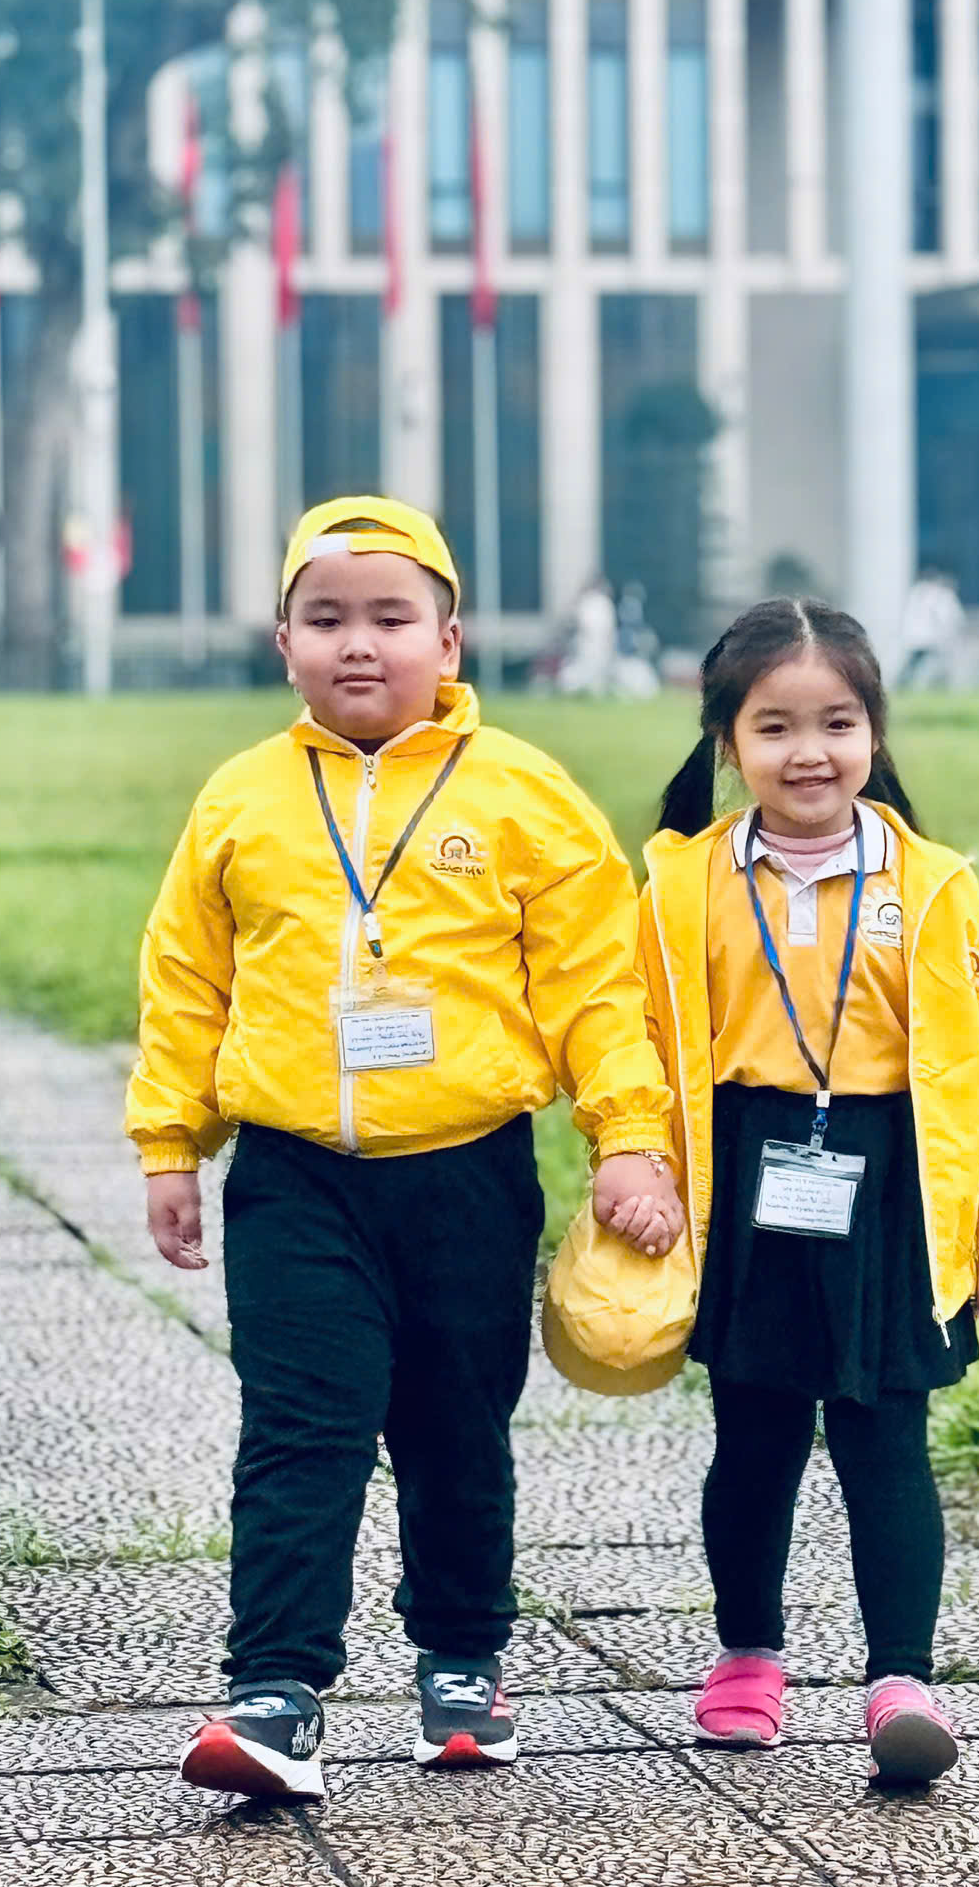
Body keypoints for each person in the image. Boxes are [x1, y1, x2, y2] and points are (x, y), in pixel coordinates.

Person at [127, 495, 680, 1798]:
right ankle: (274, 1694)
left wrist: (629, 1138)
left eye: (390, 617)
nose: (358, 644)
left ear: (450, 640)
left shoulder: (523, 795)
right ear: (284, 644)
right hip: (294, 1177)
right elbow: (186, 982)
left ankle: (463, 1664)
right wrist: (170, 1141)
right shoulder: (242, 800)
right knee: (298, 1429)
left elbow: (596, 989)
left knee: (455, 1430)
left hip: (465, 1174)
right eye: (326, 619)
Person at [628, 598, 979, 1787]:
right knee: (754, 1435)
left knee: (886, 1437)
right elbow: (642, 1043)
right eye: (775, 727)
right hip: (749, 1170)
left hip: (895, 1181)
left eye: (838, 723)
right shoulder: (685, 884)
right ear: (728, 742)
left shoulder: (933, 885)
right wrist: (641, 1160)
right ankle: (747, 1659)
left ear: (875, 731)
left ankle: (901, 1683)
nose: (809, 752)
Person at [897, 568, 963, 690]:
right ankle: (906, 682)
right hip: (928, 637)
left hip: (919, 636)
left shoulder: (916, 592)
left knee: (918, 662)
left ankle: (906, 682)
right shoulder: (935, 595)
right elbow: (943, 617)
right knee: (929, 662)